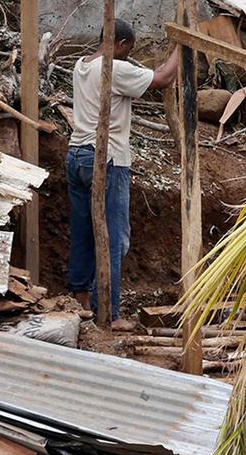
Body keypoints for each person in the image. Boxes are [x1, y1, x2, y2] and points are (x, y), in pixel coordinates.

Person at [68, 20, 177, 329]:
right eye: (127, 50)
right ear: (119, 43)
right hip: (106, 159)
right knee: (115, 239)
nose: (128, 57)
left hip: (76, 155)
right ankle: (109, 313)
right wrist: (184, 47)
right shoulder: (113, 68)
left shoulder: (81, 65)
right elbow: (165, 78)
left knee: (84, 232)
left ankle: (80, 300)